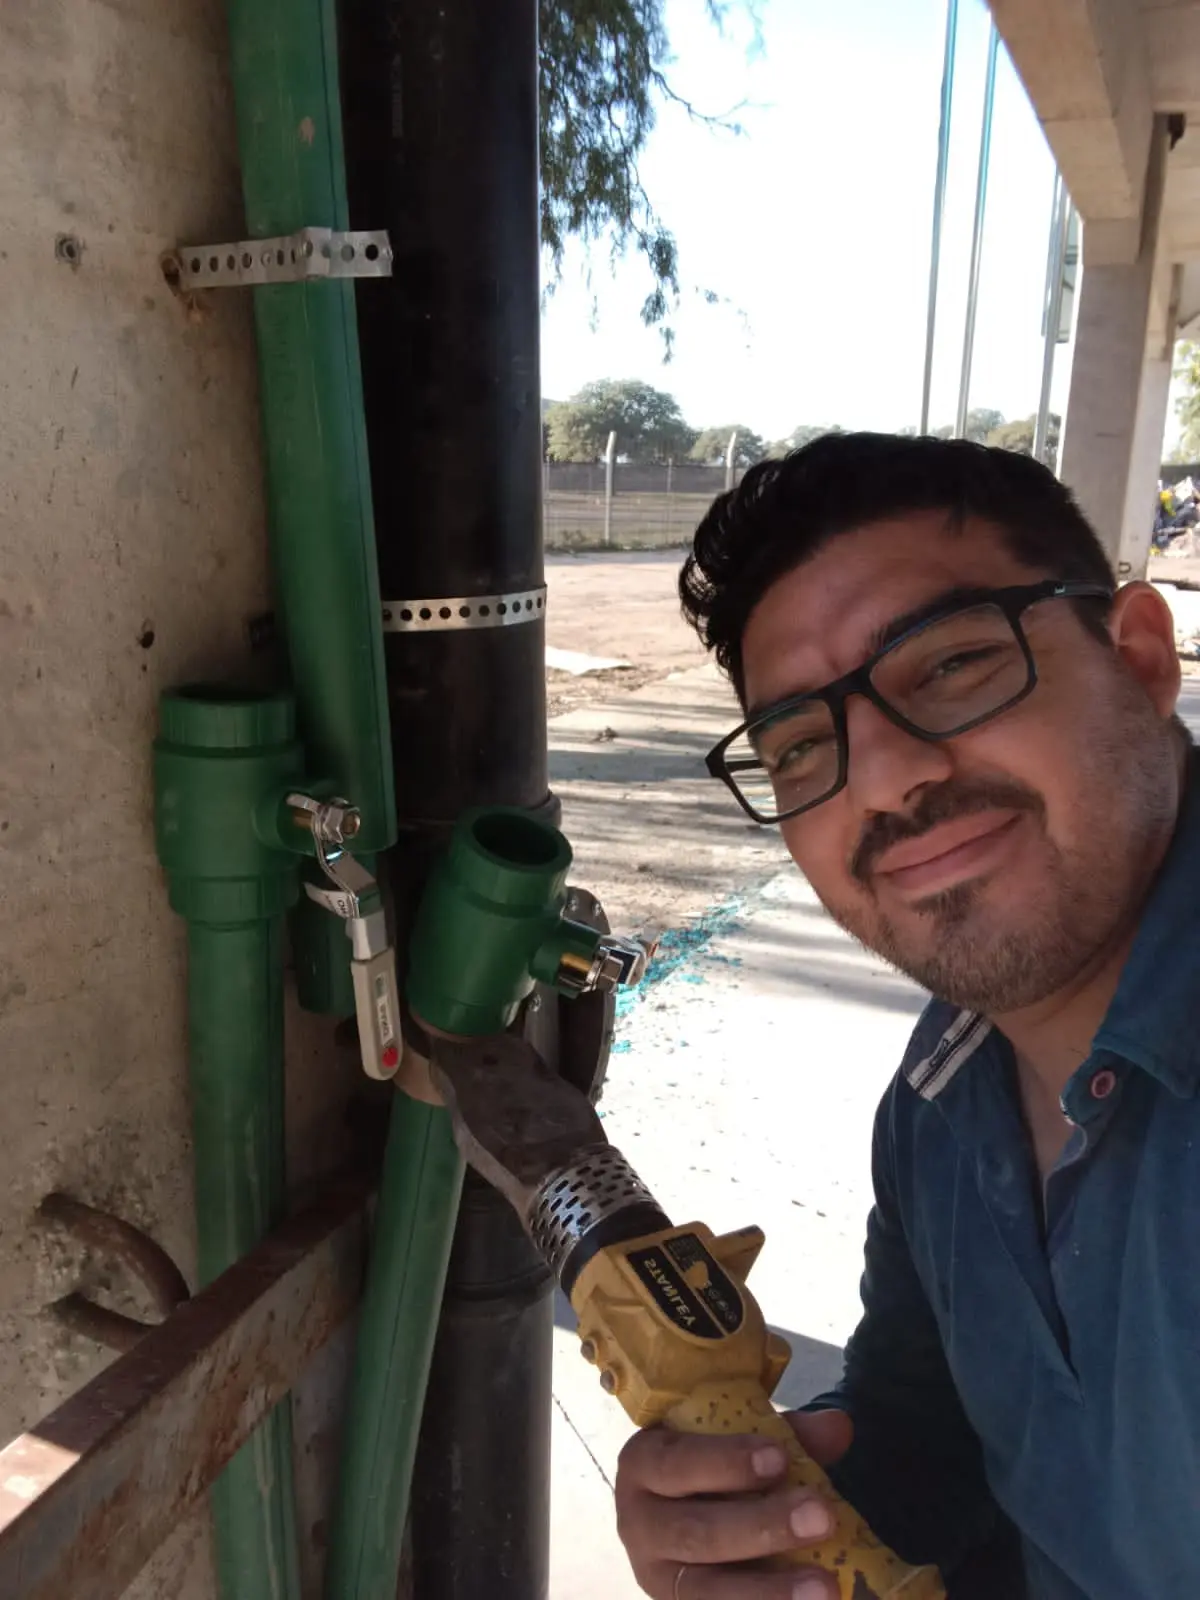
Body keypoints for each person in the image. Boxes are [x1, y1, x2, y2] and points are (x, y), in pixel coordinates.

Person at [613, 433, 1198, 1600]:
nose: (880, 778)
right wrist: (766, 1514)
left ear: (1137, 655)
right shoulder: (943, 1096)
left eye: (948, 666)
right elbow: (935, 1439)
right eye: (799, 745)